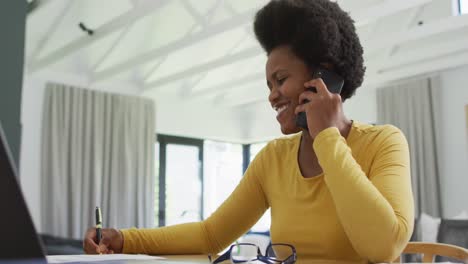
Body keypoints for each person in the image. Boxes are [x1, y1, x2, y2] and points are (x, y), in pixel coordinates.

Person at [83, 0, 414, 262]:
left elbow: (382, 246)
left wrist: (327, 136)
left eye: (281, 80)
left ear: (323, 78)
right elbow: (211, 235)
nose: (272, 95)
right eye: (268, 84)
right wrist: (124, 239)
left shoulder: (384, 143)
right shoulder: (274, 158)